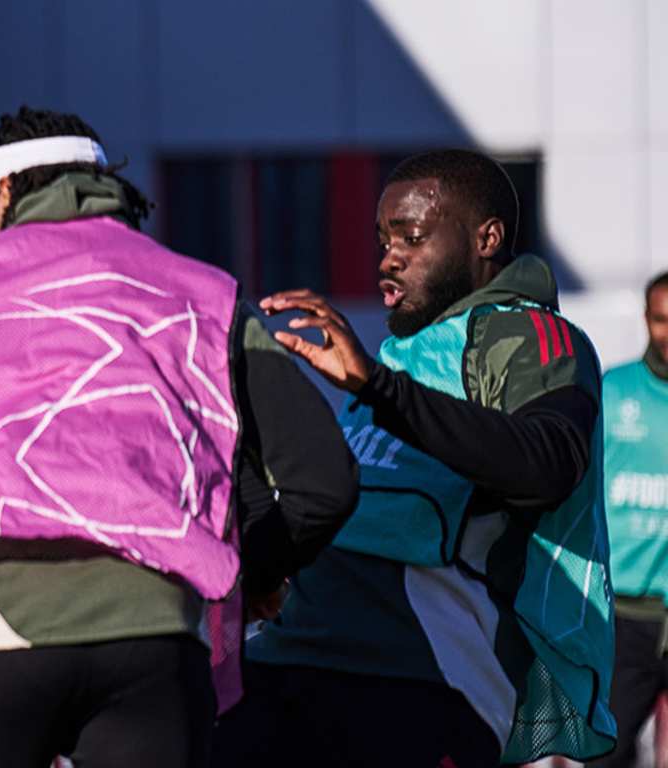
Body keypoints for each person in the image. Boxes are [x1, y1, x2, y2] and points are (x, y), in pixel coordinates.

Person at [0, 106, 360, 767]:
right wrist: (250, 575)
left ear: (5, 192)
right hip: (155, 648)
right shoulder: (208, 296)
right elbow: (324, 484)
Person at [214, 149, 615, 766]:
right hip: (291, 656)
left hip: (418, 676)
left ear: (486, 239)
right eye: (383, 240)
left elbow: (549, 463)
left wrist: (380, 387)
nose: (388, 258)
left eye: (413, 237)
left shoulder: (525, 333)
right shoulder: (398, 358)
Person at [580, 270, 668, 768]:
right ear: (646, 319)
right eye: (661, 320)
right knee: (606, 756)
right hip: (626, 619)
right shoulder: (614, 392)